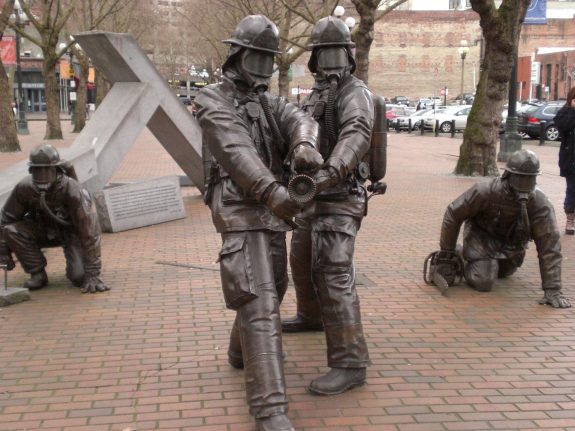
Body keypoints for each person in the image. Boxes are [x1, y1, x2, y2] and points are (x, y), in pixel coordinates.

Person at [194, 15, 321, 431]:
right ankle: (270, 410)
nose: (263, 70)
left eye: (270, 62)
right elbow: (236, 151)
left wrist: (303, 143)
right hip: (238, 204)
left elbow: (299, 117)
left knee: (272, 287)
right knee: (261, 299)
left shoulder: (270, 101)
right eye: (258, 59)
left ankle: (239, 352)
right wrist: (273, 193)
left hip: (271, 207)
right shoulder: (212, 99)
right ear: (237, 55)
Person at [281, 16, 373, 395]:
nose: (330, 63)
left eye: (336, 55)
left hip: (342, 196)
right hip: (314, 197)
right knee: (301, 259)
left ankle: (350, 363)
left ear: (348, 57)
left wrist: (331, 172)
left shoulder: (356, 93)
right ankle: (311, 315)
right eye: (324, 55)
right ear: (314, 59)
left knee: (333, 273)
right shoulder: (314, 95)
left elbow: (357, 132)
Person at [434, 149, 570, 308]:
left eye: (528, 179)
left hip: (512, 245)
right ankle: (461, 254)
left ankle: (487, 262)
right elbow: (454, 213)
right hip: (482, 239)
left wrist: (552, 288)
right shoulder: (485, 191)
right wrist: (447, 251)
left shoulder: (540, 203)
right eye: (520, 178)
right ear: (508, 175)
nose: (523, 185)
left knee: (504, 273)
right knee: (483, 281)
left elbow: (549, 244)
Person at [0, 144, 109, 294]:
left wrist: (93, 273)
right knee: (11, 230)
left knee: (79, 277)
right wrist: (3, 251)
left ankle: (84, 272)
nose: (42, 175)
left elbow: (90, 233)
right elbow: (6, 219)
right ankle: (37, 272)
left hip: (70, 233)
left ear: (57, 169)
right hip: (41, 230)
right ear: (31, 170)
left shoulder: (73, 190)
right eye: (38, 171)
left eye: (46, 170)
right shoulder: (24, 188)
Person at [553, 86, 575, 235]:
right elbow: (563, 128)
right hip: (571, 159)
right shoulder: (565, 112)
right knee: (572, 190)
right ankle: (570, 219)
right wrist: (573, 111)